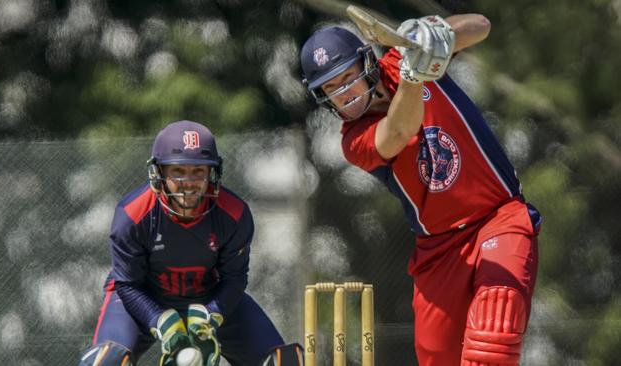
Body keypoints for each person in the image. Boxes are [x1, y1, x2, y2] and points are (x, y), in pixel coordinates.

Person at [300, 14, 541, 366]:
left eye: (348, 78)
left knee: (493, 330)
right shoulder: (354, 140)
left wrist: (436, 36)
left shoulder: (404, 59)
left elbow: (481, 25)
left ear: (367, 63)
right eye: (331, 89)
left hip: (498, 218)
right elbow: (399, 130)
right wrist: (416, 73)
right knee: (438, 358)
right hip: (439, 250)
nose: (345, 95)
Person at [78, 120, 303, 366]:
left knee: (284, 361)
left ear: (212, 174)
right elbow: (128, 285)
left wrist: (211, 313)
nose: (189, 182)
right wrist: (157, 319)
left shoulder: (234, 214)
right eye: (178, 171)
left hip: (209, 299)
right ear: (159, 173)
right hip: (142, 297)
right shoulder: (132, 215)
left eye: (198, 171)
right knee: (107, 361)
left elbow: (234, 279)